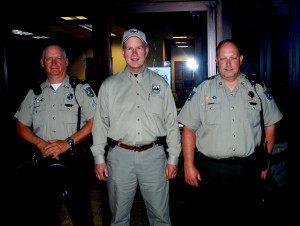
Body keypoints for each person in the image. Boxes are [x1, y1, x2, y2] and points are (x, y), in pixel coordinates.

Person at [178, 39, 283, 220]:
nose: (228, 64)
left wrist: (265, 161)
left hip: (249, 170)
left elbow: (270, 125)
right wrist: (188, 165)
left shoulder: (257, 89)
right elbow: (189, 129)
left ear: (241, 59)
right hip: (211, 172)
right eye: (223, 58)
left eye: (233, 58)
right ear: (216, 61)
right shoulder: (203, 90)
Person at [91, 28, 181, 226]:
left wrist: (173, 158)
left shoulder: (161, 85)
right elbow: (100, 125)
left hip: (154, 158)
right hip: (119, 159)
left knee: (160, 218)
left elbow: (171, 124)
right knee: (119, 219)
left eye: (138, 48)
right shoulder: (109, 86)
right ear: (123, 52)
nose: (134, 53)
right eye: (129, 48)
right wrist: (99, 159)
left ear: (146, 50)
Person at [14, 45, 97, 226]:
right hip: (44, 164)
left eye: (58, 58)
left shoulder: (80, 90)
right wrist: (41, 144)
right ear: (42, 63)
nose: (54, 63)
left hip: (75, 163)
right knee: (46, 216)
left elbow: (95, 122)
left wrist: (67, 143)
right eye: (49, 59)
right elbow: (20, 126)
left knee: (81, 216)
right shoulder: (33, 94)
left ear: (66, 62)